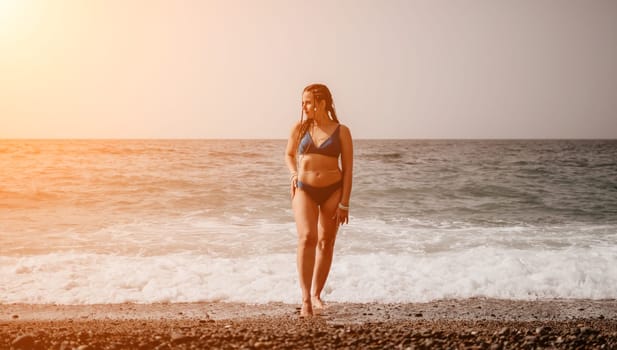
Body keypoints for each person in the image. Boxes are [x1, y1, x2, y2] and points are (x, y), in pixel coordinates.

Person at [284, 83, 353, 317]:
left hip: (334, 190)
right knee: (307, 237)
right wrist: (294, 173)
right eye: (302, 102)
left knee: (326, 242)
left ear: (321, 103)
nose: (303, 106)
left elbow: (349, 170)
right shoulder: (300, 129)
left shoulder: (341, 131)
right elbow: (289, 154)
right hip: (304, 189)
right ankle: (305, 299)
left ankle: (316, 294)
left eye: (308, 102)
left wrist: (345, 203)